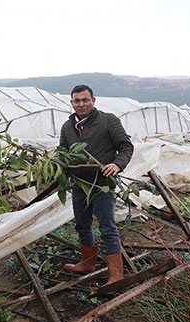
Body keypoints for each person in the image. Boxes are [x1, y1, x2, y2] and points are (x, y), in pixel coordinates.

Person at [59, 84, 134, 285]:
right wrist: (57, 165)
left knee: (107, 227)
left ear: (93, 100)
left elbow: (126, 146)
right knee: (82, 225)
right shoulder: (68, 127)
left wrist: (117, 164)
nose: (81, 104)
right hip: (80, 184)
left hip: (102, 184)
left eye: (85, 100)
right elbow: (62, 152)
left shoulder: (108, 120)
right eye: (77, 100)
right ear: (72, 102)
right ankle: (87, 263)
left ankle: (116, 275)